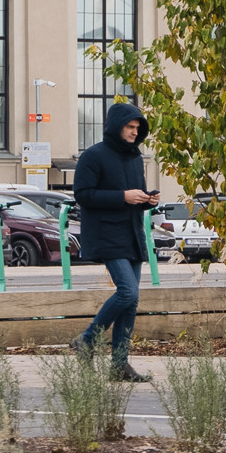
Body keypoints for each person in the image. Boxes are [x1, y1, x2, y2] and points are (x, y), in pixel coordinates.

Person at [70, 101, 158, 382]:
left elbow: (134, 195)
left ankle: (119, 365)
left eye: (137, 128)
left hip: (132, 234)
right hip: (107, 234)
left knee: (131, 301)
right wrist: (123, 197)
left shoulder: (135, 157)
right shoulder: (93, 156)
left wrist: (147, 199)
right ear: (116, 126)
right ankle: (87, 340)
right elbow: (83, 194)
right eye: (130, 126)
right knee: (127, 293)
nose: (134, 132)